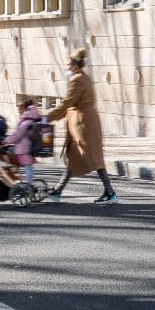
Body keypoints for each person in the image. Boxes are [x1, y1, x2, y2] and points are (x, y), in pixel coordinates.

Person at [47, 48, 116, 203]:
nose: (66, 68)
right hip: (86, 122)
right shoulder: (85, 78)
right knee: (78, 158)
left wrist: (48, 117)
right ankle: (58, 191)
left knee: (92, 158)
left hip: (82, 124)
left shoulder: (77, 80)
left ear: (75, 65)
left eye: (68, 65)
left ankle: (110, 193)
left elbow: (67, 102)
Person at [7, 96, 45, 191]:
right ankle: (28, 183)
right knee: (27, 166)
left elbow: (18, 134)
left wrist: (6, 140)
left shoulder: (26, 120)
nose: (18, 111)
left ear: (25, 108)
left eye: (19, 109)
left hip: (24, 149)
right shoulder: (34, 118)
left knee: (21, 163)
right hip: (29, 148)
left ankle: (29, 185)